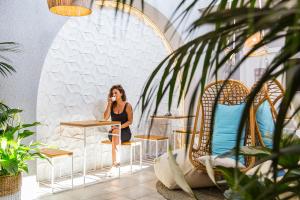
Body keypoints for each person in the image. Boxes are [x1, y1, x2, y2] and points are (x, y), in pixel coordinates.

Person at [103, 84, 133, 167]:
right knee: (115, 133)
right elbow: (105, 118)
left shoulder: (127, 106)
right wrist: (109, 104)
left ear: (121, 93)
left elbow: (130, 121)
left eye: (116, 93)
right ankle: (116, 163)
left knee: (115, 133)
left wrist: (119, 127)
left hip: (125, 133)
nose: (114, 95)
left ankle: (114, 164)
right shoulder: (112, 105)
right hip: (113, 132)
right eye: (112, 94)